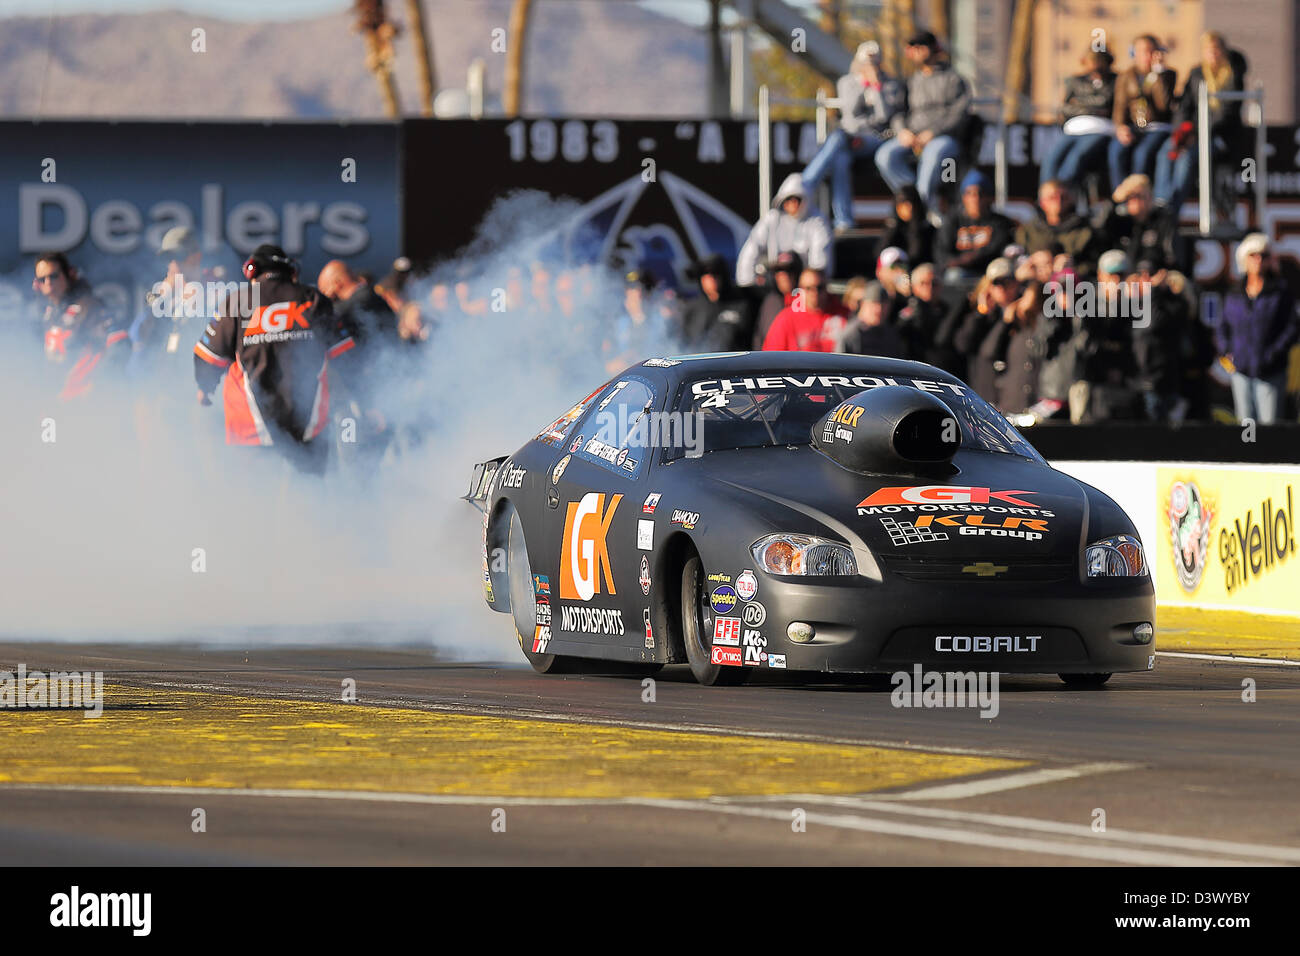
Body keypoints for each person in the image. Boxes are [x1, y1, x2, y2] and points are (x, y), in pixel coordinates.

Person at [193, 244, 353, 474]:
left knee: (255, 505)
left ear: (252, 271)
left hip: (251, 432)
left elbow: (207, 357)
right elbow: (346, 357)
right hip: (309, 427)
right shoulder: (314, 299)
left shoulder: (239, 301)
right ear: (291, 271)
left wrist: (204, 388)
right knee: (309, 502)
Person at [802, 41, 905, 234]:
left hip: (876, 139)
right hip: (850, 138)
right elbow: (850, 111)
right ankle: (844, 221)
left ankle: (805, 184)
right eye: (866, 62)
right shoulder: (847, 82)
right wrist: (862, 85)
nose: (870, 66)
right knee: (840, 159)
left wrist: (876, 87)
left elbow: (885, 117)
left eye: (874, 62)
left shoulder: (890, 85)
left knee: (838, 140)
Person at [874, 30, 972, 210]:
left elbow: (959, 114)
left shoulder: (953, 79)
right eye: (913, 47)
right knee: (885, 156)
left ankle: (920, 208)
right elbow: (898, 112)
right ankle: (918, 201)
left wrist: (933, 133)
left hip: (943, 138)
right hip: (912, 136)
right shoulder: (910, 81)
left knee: (932, 154)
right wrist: (902, 131)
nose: (915, 51)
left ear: (934, 49)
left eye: (920, 46)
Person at [1155, 31, 1246, 209]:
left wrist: (1199, 134)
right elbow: (1185, 105)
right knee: (1166, 151)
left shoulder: (1232, 75)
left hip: (1218, 135)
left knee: (1187, 158)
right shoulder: (1197, 74)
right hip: (1194, 131)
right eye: (1209, 50)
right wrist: (1182, 131)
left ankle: (1174, 204)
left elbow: (1228, 113)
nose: (1213, 55)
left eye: (1216, 50)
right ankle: (1162, 200)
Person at [1216, 234, 1297, 424]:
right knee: (1247, 426)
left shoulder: (1280, 292)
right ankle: (1248, 453)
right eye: (1253, 255)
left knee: (1269, 425)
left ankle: (1269, 455)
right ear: (1244, 258)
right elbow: (1222, 326)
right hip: (1241, 370)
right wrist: (1226, 350)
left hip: (1271, 371)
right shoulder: (1235, 293)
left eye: (1264, 255)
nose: (1259, 260)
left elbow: (1291, 328)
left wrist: (1271, 356)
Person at [33, 251, 129, 400]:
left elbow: (120, 342)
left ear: (68, 274)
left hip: (84, 404)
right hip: (59, 401)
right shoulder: (49, 314)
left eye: (53, 276)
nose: (48, 283)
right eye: (42, 279)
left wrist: (98, 385)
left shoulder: (89, 306)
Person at [736, 174, 832, 287]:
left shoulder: (817, 222)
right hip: (776, 284)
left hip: (803, 286)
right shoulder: (772, 220)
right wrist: (747, 283)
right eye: (788, 200)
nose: (792, 204)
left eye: (796, 199)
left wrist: (810, 285)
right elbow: (752, 247)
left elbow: (820, 258)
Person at [1040, 50, 1117, 187]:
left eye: (1099, 60)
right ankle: (1047, 196)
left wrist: (1080, 104)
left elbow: (1109, 105)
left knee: (1076, 158)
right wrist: (1091, 110)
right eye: (1092, 61)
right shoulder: (1076, 81)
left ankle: (1064, 193)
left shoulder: (1115, 81)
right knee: (1051, 159)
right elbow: (1064, 107)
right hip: (1073, 129)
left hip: (1100, 129)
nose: (1095, 65)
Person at [1110, 35, 1178, 187]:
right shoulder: (1126, 76)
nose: (1147, 56)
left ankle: (1139, 193)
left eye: (1151, 51)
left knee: (1142, 154)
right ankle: (1121, 196)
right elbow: (1120, 105)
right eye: (1143, 51)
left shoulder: (1167, 75)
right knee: (1116, 151)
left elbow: (1164, 105)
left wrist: (1158, 73)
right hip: (1135, 127)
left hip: (1157, 127)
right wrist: (1121, 127)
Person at [954, 258, 1020, 403]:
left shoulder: (1025, 313)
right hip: (985, 389)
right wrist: (981, 314)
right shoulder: (982, 315)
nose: (1002, 288)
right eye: (997, 283)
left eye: (1007, 281)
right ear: (988, 286)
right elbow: (963, 344)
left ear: (1016, 283)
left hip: (1013, 392)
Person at [934, 170, 1016, 282]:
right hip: (959, 272)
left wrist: (970, 259)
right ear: (964, 198)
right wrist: (960, 261)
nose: (975, 198)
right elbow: (941, 252)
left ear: (988, 198)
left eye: (980, 194)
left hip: (989, 272)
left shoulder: (999, 222)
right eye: (970, 193)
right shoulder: (952, 221)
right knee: (953, 275)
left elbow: (995, 250)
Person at [1095, 174, 1183, 273]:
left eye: (1139, 196)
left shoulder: (1162, 219)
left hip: (1155, 279)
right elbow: (1098, 233)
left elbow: (1170, 256)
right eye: (1131, 196)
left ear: (1150, 196)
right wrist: (1113, 201)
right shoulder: (1121, 221)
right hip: (1123, 279)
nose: (1135, 200)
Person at [1015, 180, 1101, 273]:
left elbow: (1094, 265)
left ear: (1071, 200)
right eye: (1052, 197)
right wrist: (1032, 262)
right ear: (1042, 202)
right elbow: (1015, 261)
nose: (1058, 202)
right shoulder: (1027, 232)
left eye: (1063, 197)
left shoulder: (1085, 231)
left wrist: (1072, 267)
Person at [679, 253, 754, 352]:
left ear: (724, 275)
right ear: (700, 278)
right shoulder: (692, 309)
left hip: (734, 365)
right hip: (699, 365)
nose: (711, 277)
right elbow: (682, 344)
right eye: (705, 273)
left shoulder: (742, 305)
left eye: (716, 272)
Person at [762, 269, 838, 352]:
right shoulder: (786, 318)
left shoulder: (842, 314)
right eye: (808, 288)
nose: (815, 292)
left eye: (819, 288)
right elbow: (771, 356)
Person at [838, 282, 905, 357]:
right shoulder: (851, 335)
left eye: (884, 304)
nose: (879, 309)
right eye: (874, 303)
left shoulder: (892, 335)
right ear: (863, 304)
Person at [751, 251, 801, 350]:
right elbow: (759, 336)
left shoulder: (808, 300)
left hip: (800, 361)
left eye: (790, 270)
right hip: (771, 361)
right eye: (779, 270)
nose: (784, 276)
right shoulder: (770, 301)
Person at [874, 186, 935, 266]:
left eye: (911, 203)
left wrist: (915, 225)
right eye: (904, 203)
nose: (909, 208)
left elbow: (917, 254)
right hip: (894, 271)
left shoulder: (927, 228)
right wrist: (893, 227)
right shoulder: (892, 226)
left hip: (919, 271)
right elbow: (880, 253)